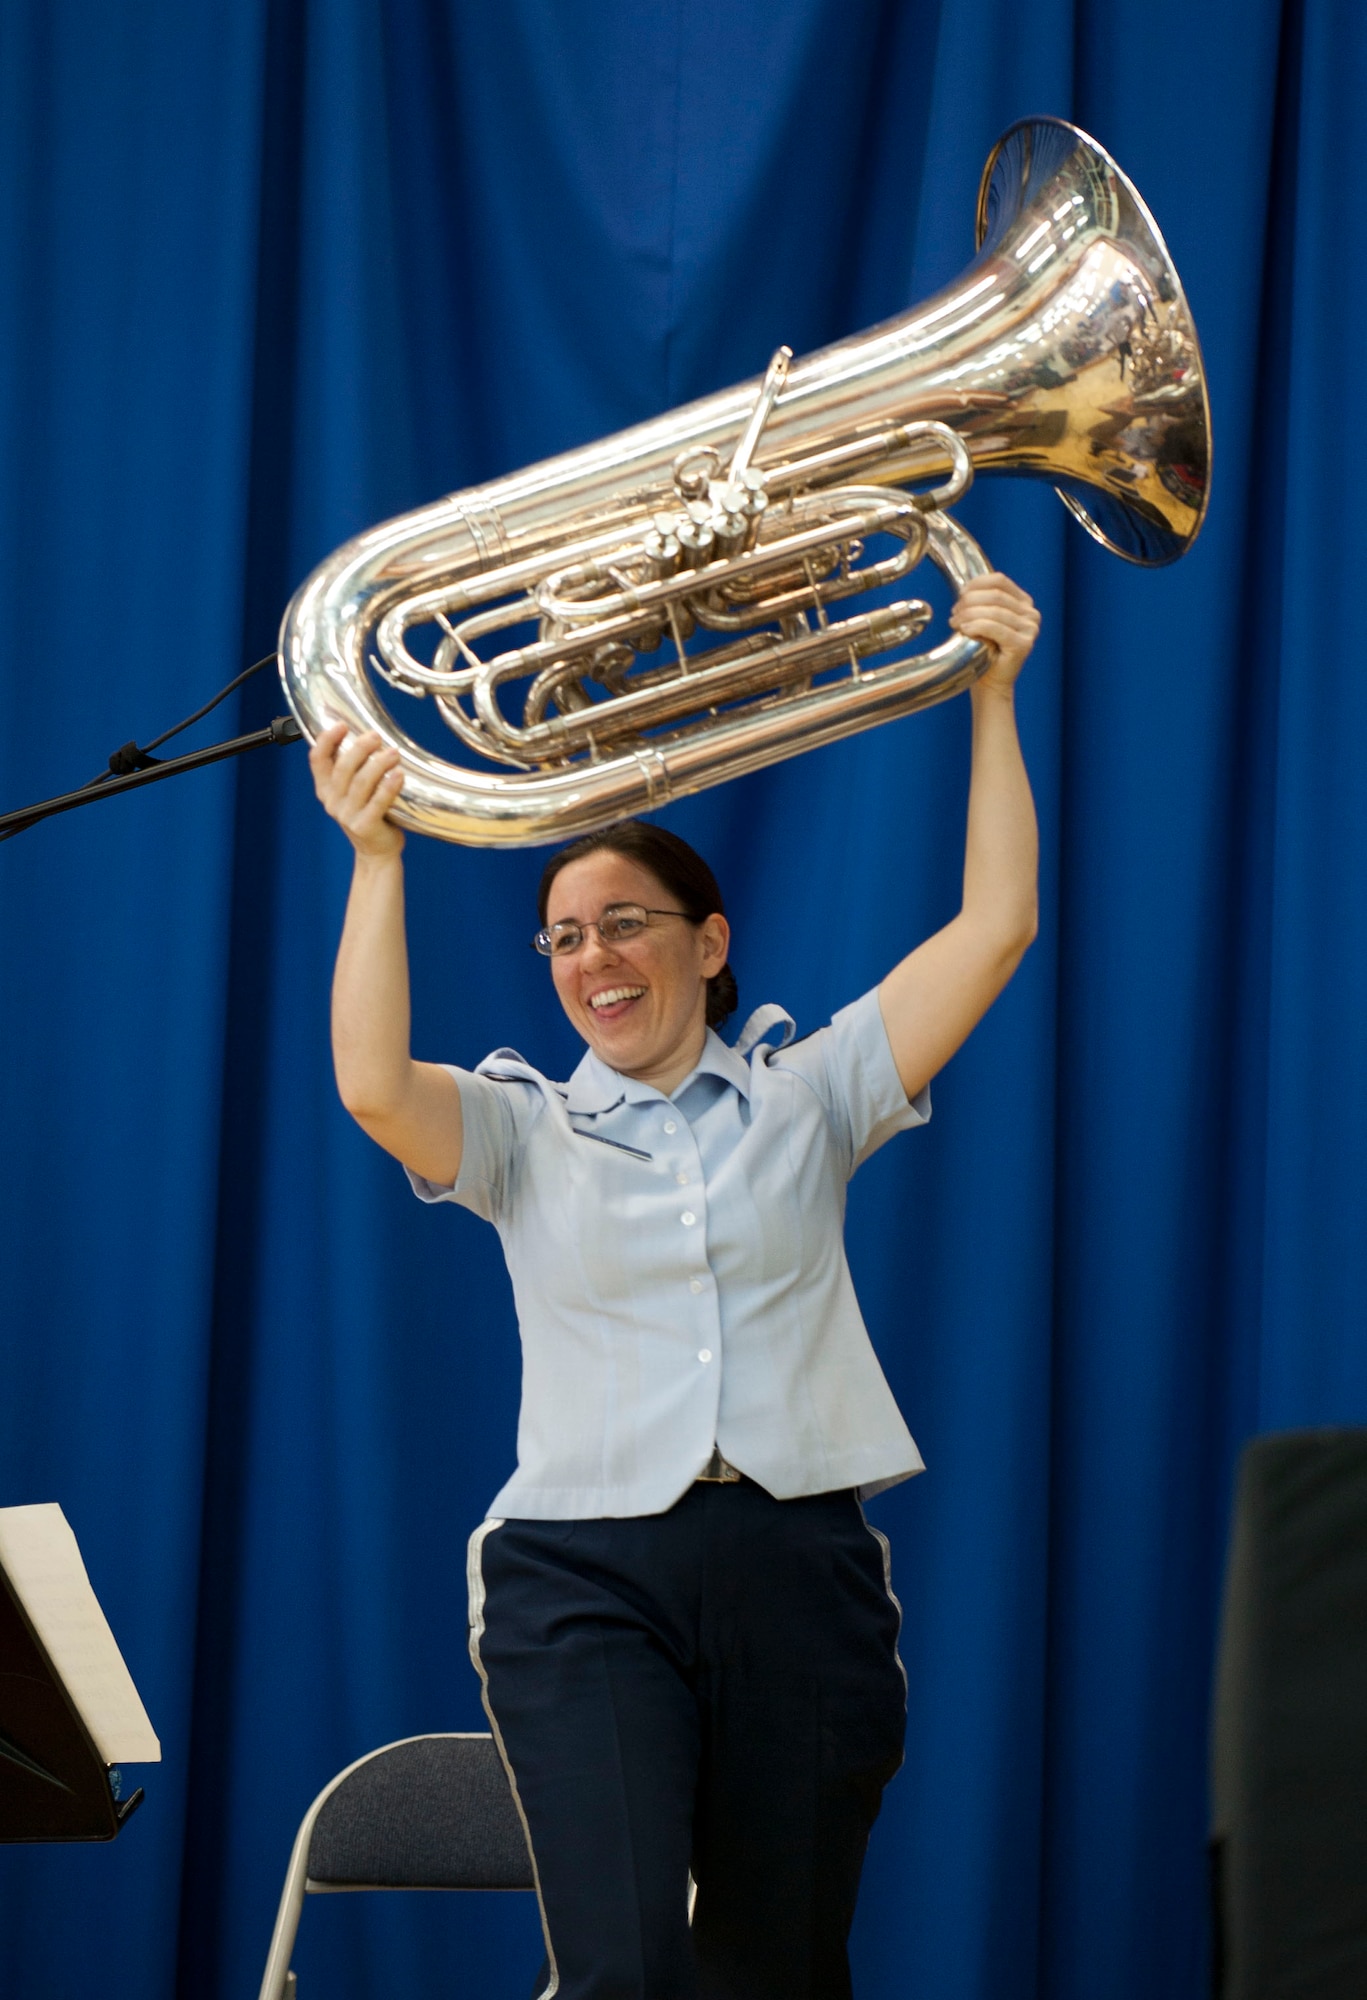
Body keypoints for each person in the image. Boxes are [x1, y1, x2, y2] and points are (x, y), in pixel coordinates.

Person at [309, 571, 1040, 2000]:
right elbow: (369, 1083)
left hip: (796, 1569)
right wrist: (379, 859)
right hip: (581, 1571)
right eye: (567, 937)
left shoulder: (811, 1093)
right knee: (627, 1970)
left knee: (777, 1972)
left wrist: (993, 695)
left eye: (628, 923)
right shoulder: (523, 1127)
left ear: (707, 945)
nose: (594, 959)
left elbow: (997, 926)